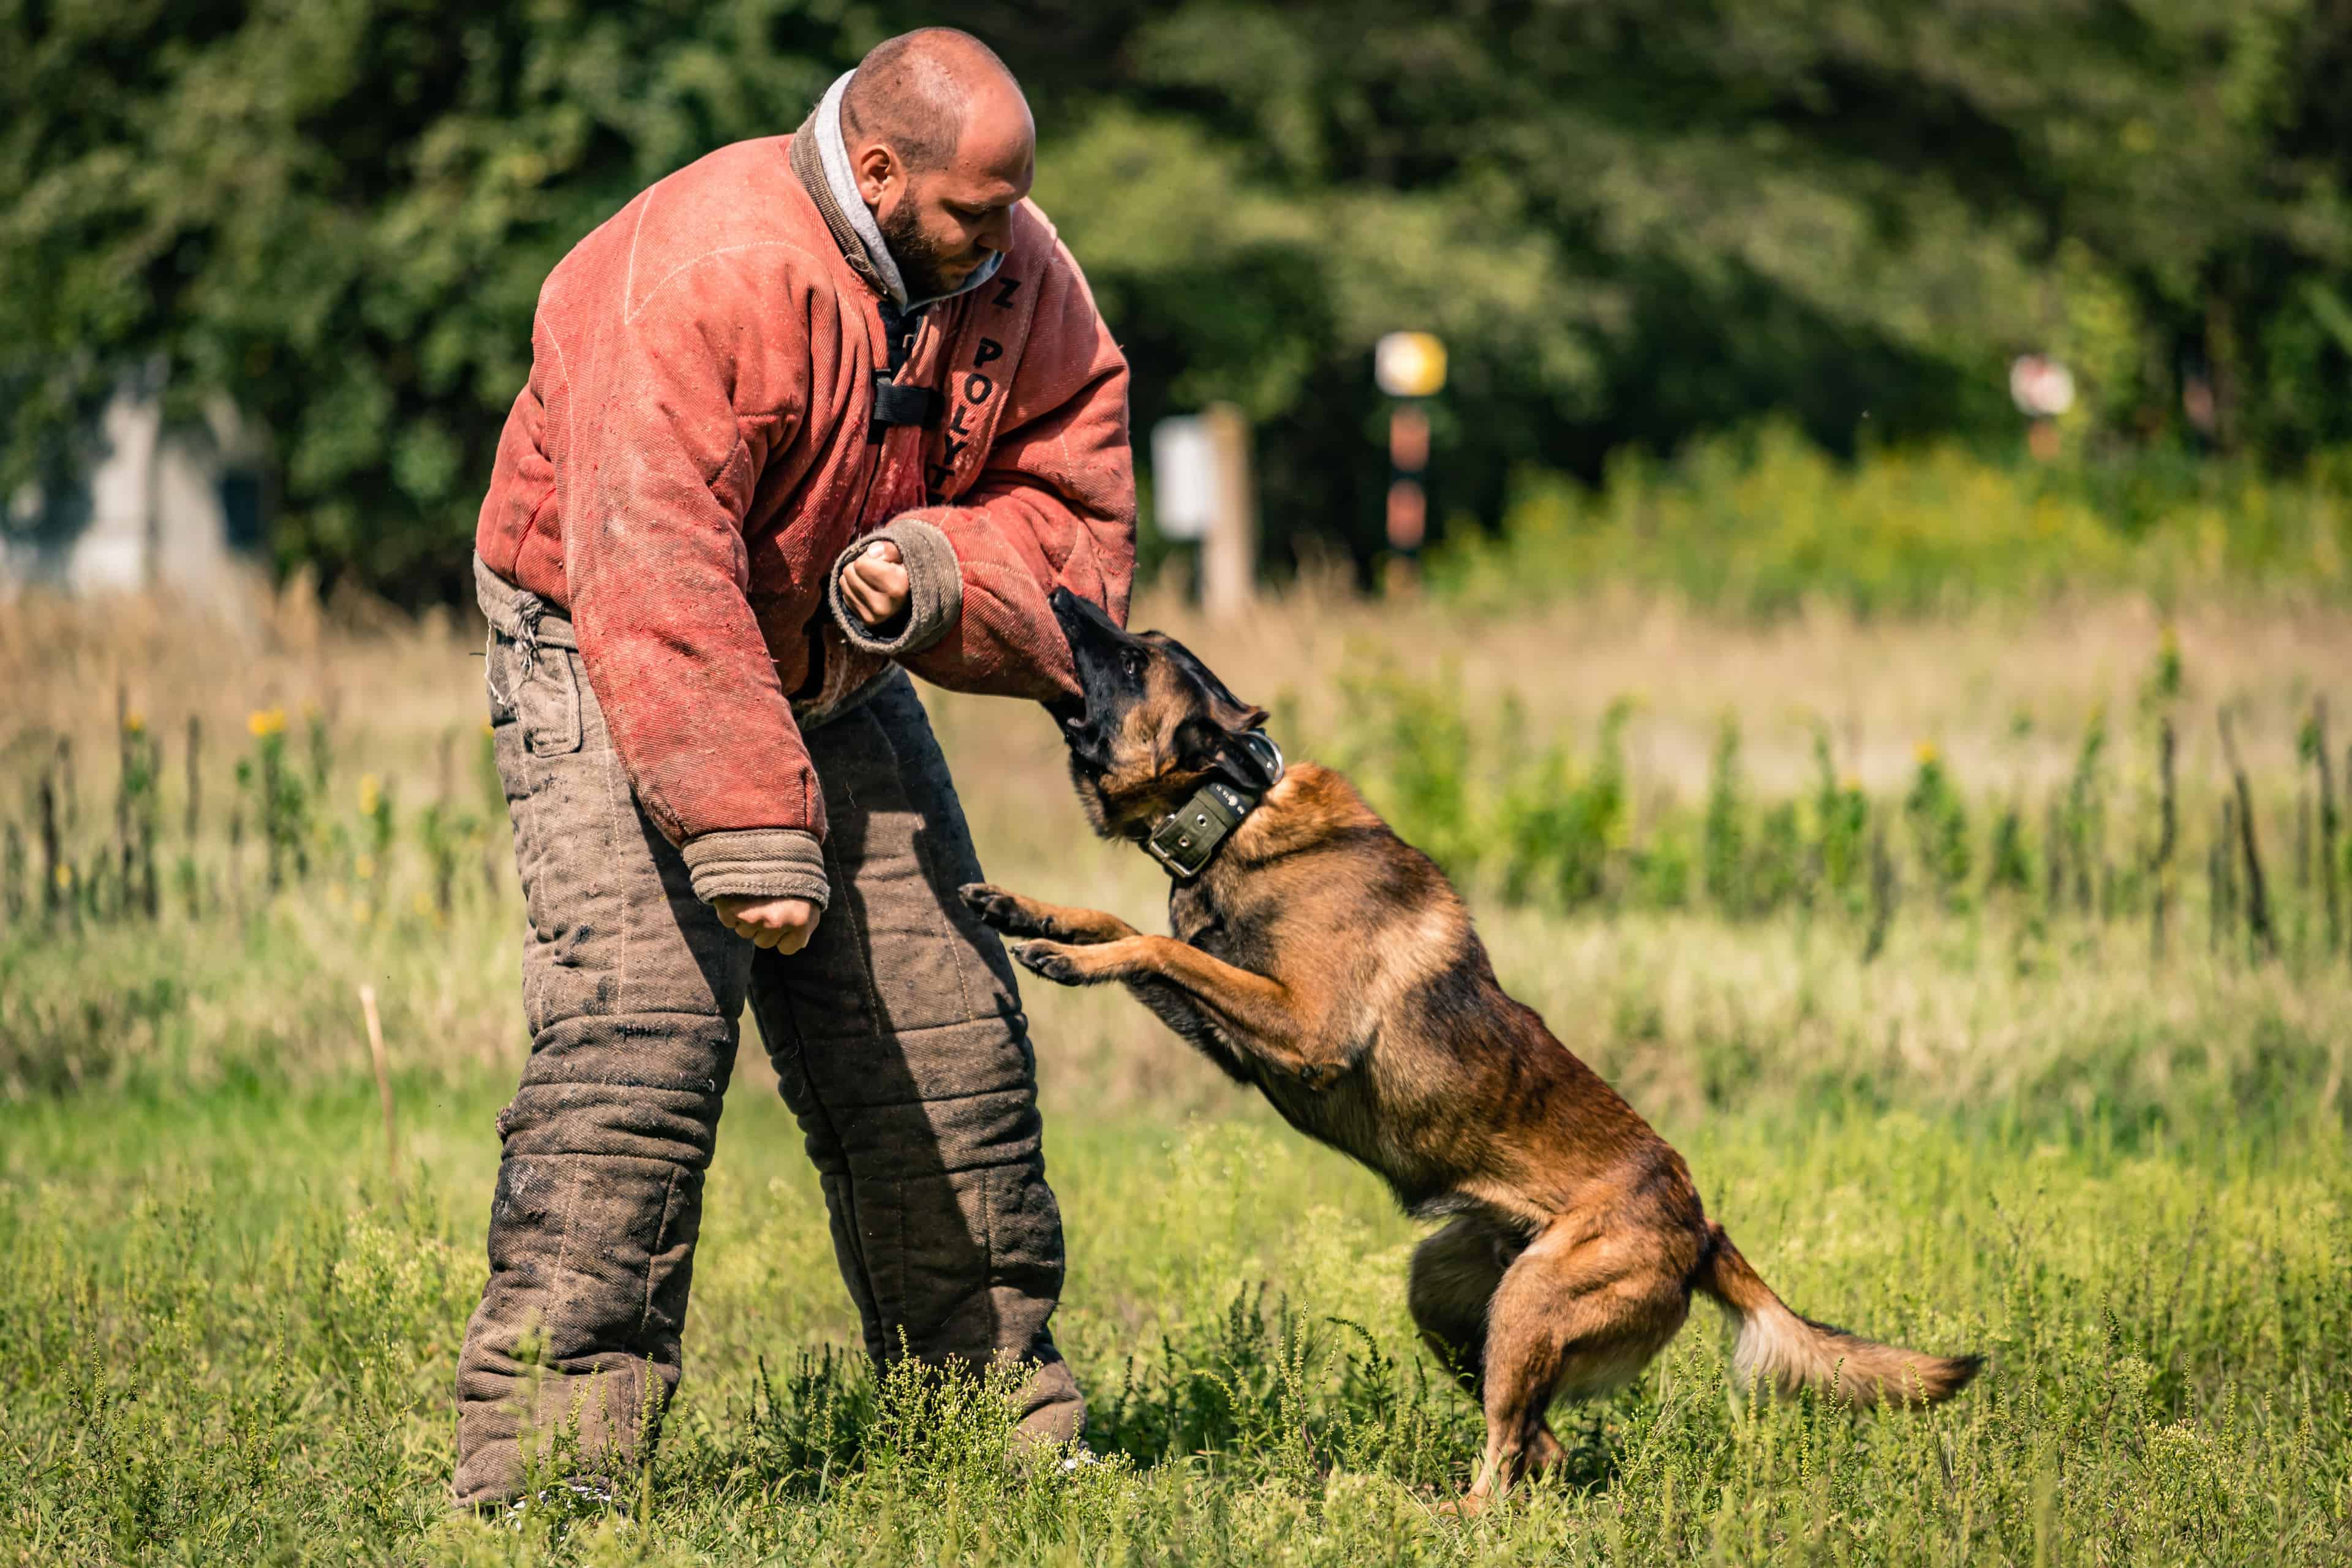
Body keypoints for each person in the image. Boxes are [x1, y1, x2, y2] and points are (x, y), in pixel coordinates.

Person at [454, 26, 1134, 1509]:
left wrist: (943, 565)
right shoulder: (705, 265)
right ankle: (543, 1479)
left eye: (1018, 204)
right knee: (639, 1047)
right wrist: (752, 824)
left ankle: (1001, 1428)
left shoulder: (1009, 262)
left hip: (829, 667)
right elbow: (650, 557)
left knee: (954, 1052)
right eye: (976, 211)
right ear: (879, 172)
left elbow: (1075, 495)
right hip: (599, 633)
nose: (1008, 240)